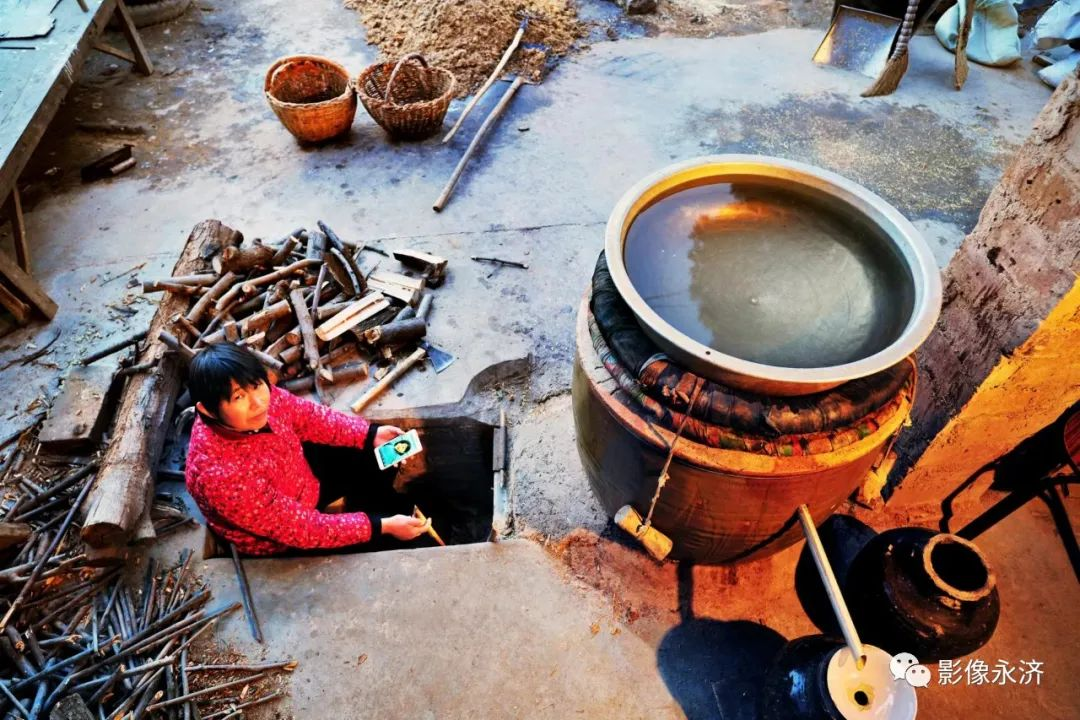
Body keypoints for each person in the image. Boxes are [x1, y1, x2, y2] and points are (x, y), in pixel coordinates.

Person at [184, 342, 430, 555]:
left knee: (375, 452)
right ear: (206, 410)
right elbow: (303, 529)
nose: (258, 403)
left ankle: (370, 508)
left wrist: (370, 434)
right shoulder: (222, 477)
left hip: (299, 480)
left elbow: (308, 417)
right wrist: (380, 526)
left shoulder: (263, 400)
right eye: (238, 397)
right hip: (283, 540)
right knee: (380, 542)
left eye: (257, 385)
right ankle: (381, 522)